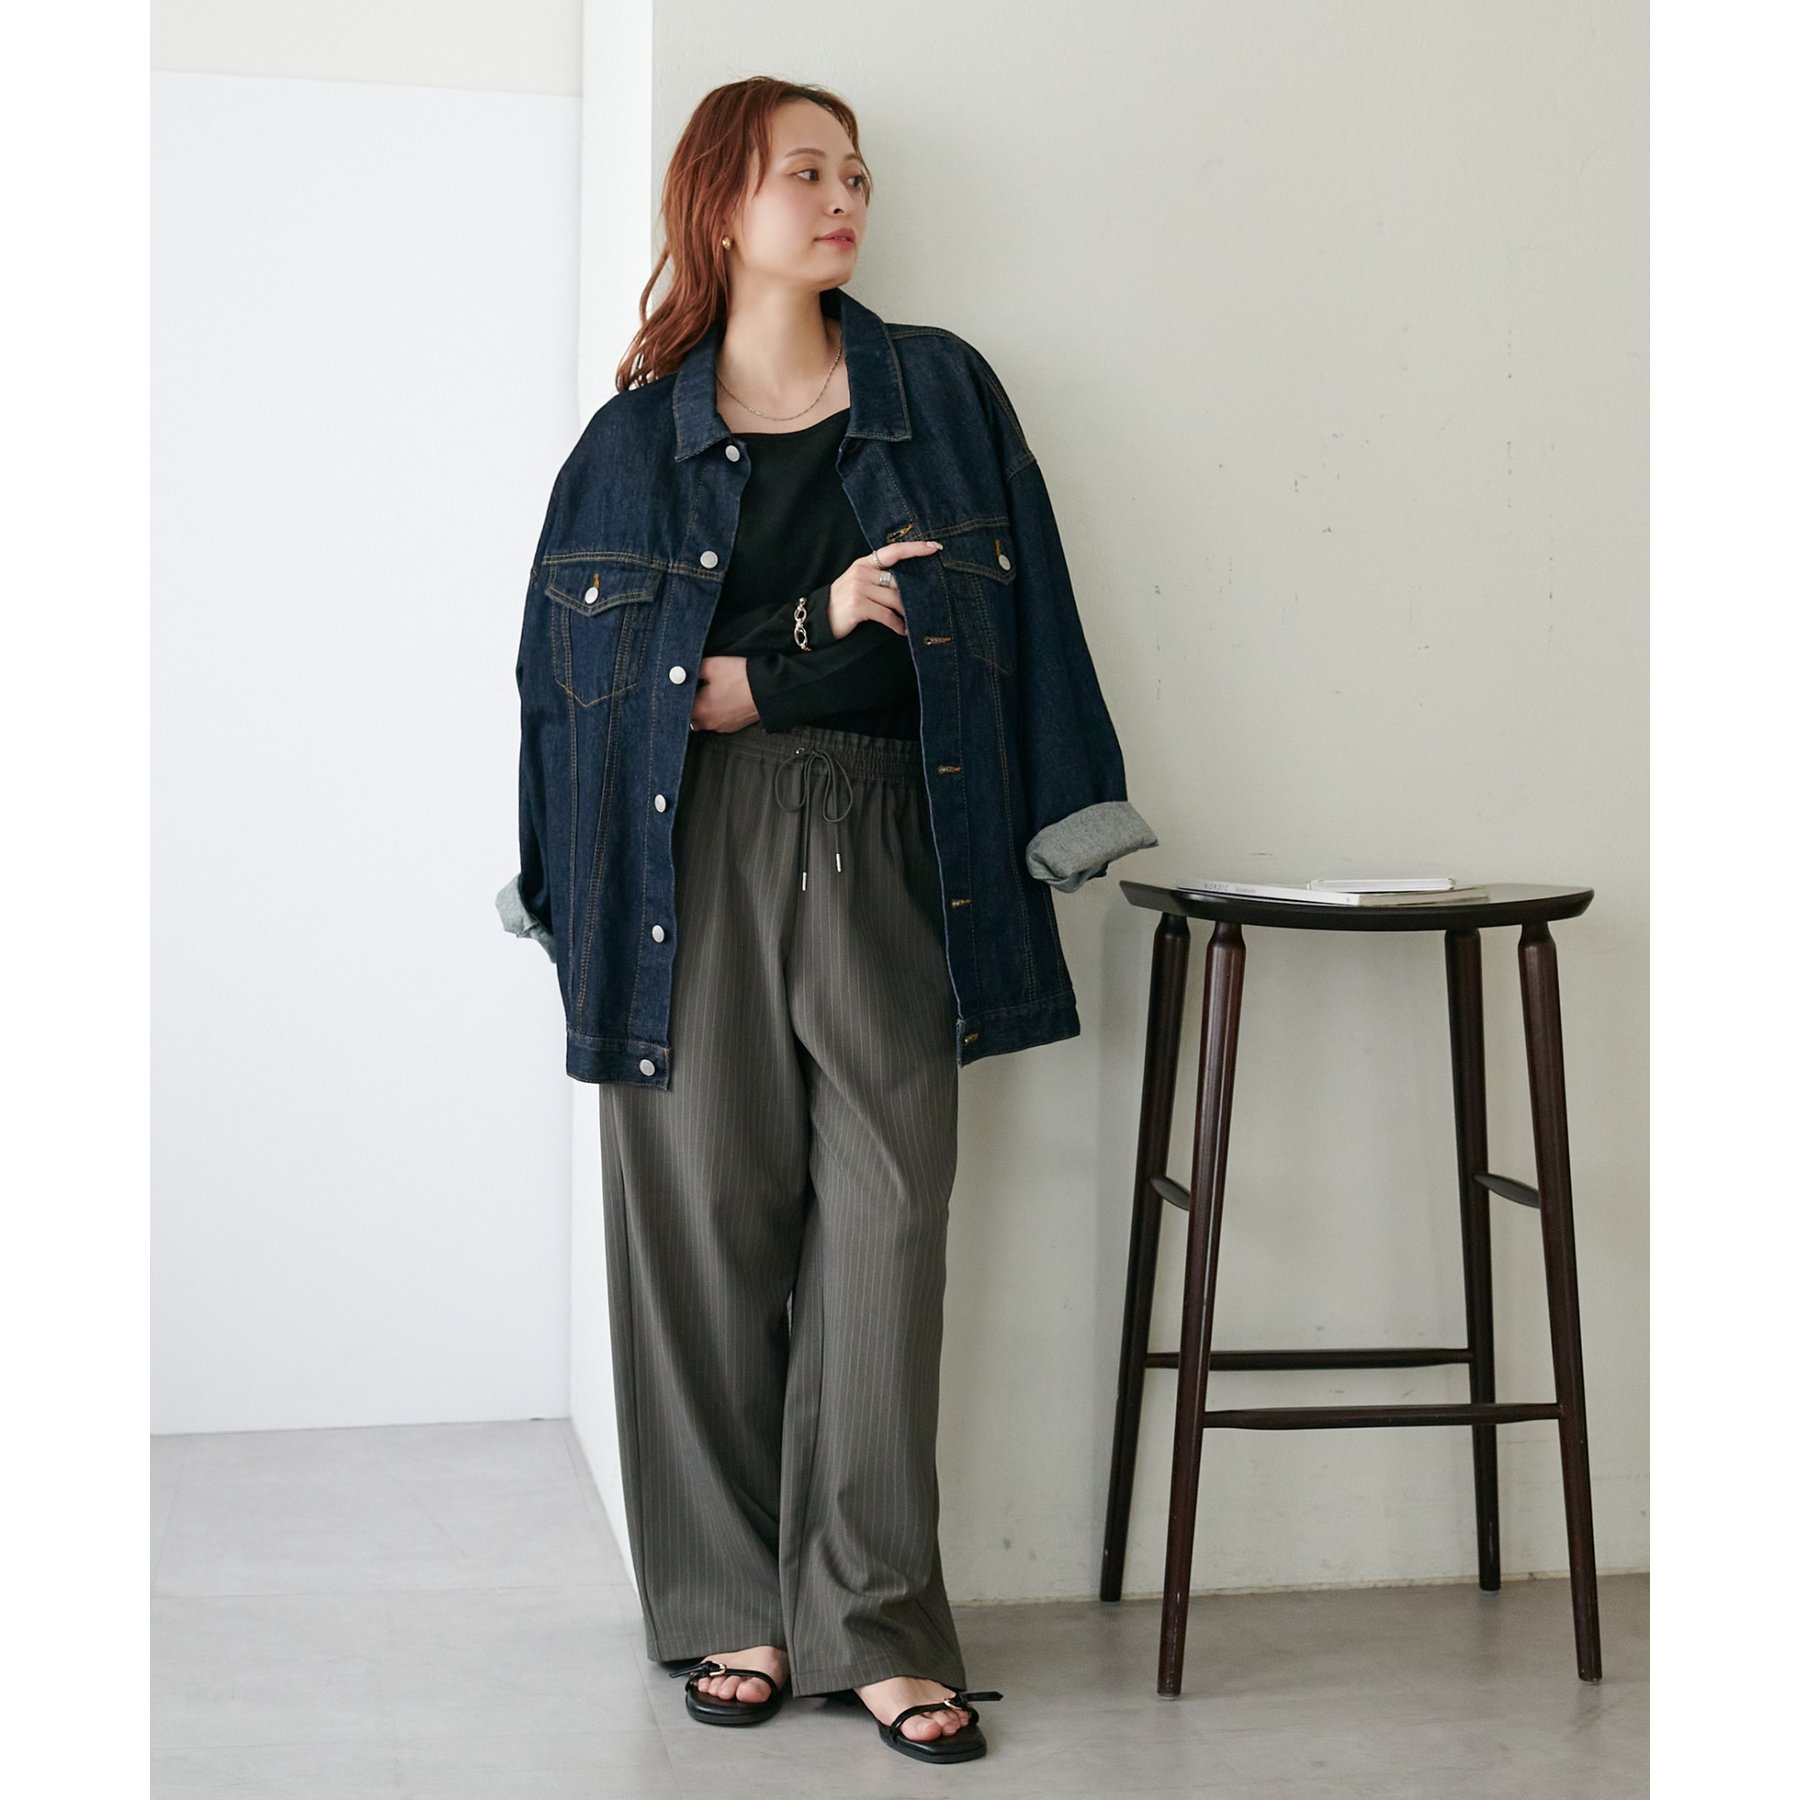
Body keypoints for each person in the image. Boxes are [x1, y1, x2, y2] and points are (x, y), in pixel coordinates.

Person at [503, 73, 1155, 1768]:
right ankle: (728, 1604)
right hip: (681, 856)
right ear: (724, 204)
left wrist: (761, 675)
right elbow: (568, 697)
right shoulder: (628, 446)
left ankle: (872, 1620)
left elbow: (1020, 614)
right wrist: (583, 849)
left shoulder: (940, 394)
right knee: (701, 1230)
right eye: (807, 173)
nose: (844, 197)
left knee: (886, 1231)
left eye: (855, 174)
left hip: (892, 835)